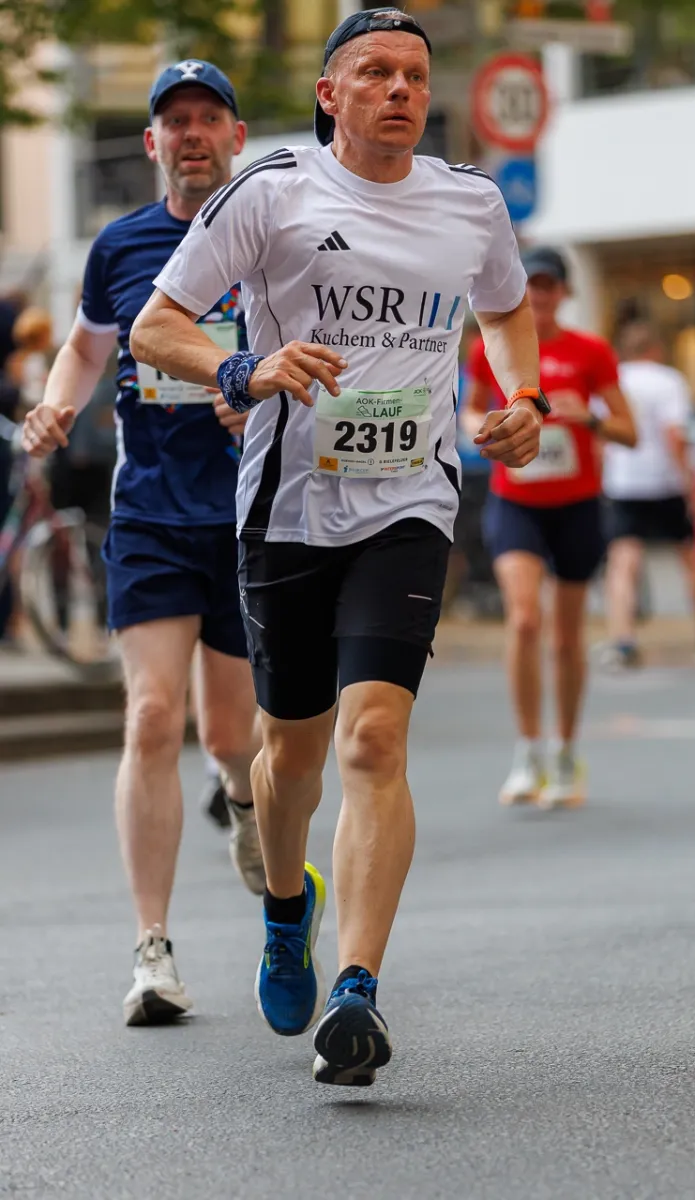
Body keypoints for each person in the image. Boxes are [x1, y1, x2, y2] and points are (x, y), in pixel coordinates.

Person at [129, 6, 545, 1086]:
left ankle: (356, 987)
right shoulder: (272, 194)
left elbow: (504, 310)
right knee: (291, 755)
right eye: (374, 73)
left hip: (409, 503)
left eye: (413, 75)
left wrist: (524, 397)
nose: (400, 90)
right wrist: (244, 368)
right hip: (287, 509)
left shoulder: (470, 201)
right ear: (330, 94)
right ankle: (286, 907)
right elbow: (156, 327)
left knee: (373, 741)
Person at [21, 61, 264, 1026]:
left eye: (209, 118)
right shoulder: (120, 246)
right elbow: (87, 346)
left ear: (236, 137)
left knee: (234, 737)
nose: (192, 133)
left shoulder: (271, 239)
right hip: (153, 513)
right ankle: (152, 951)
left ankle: (243, 802)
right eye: (175, 121)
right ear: (154, 141)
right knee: (153, 718)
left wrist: (261, 399)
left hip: (250, 516)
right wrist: (55, 404)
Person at [464, 246, 636, 809]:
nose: (538, 295)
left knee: (565, 636)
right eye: (530, 285)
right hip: (516, 502)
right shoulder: (489, 346)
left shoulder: (591, 351)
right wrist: (483, 425)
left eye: (548, 285)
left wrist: (589, 417)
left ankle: (564, 750)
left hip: (576, 505)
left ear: (564, 292)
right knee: (523, 619)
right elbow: (470, 409)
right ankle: (528, 750)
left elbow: (630, 430)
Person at [602, 321, 695, 667]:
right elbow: (675, 436)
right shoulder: (669, 380)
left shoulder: (614, 380)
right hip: (664, 480)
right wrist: (691, 483)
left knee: (623, 561)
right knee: (690, 556)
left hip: (624, 480)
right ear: (655, 349)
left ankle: (623, 638)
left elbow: (602, 434)